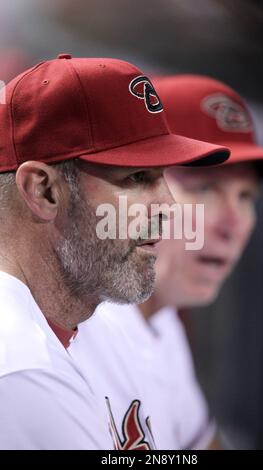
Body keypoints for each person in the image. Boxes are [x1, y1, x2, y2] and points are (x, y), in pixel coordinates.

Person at [0, 59, 230, 450]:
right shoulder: (21, 368)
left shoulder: (66, 325)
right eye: (137, 178)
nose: (169, 207)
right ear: (43, 191)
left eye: (164, 177)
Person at [89, 75, 263, 450]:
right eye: (204, 189)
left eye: (246, 196)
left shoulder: (161, 321)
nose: (233, 224)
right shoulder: (77, 335)